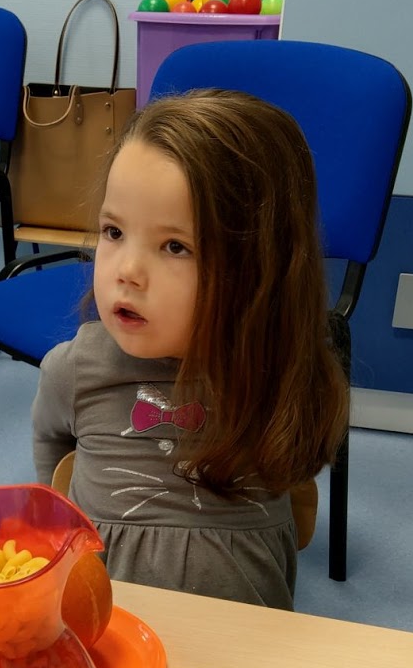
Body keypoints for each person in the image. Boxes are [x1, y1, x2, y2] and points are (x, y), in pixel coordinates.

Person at [32, 90, 348, 610]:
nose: (127, 271)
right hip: (109, 627)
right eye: (114, 231)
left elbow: (298, 468)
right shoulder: (79, 367)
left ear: (258, 269)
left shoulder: (278, 369)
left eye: (175, 246)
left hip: (249, 634)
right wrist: (55, 517)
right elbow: (49, 437)